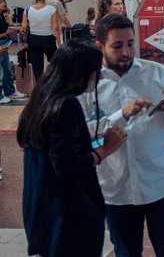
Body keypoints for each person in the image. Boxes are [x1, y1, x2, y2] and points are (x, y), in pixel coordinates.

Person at [81, 14, 164, 255]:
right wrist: (122, 114)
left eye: (131, 43)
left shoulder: (155, 73)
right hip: (115, 190)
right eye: (117, 46)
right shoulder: (89, 84)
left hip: (163, 185)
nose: (127, 52)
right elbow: (85, 136)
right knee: (126, 253)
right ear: (99, 46)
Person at [17, 40, 127, 257]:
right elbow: (67, 166)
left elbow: (54, 148)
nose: (100, 77)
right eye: (96, 71)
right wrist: (105, 150)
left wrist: (93, 138)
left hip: (41, 209)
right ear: (80, 72)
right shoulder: (66, 105)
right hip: (67, 217)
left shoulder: (41, 100)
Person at [21, 0, 60, 79]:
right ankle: (54, 83)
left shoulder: (27, 9)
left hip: (33, 39)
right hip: (48, 39)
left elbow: (24, 26)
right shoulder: (51, 9)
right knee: (56, 62)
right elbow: (55, 27)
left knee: (37, 67)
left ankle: (40, 89)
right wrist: (59, 41)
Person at [0, 0, 24, 104]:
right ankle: (0, 96)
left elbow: (8, 26)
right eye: (1, 2)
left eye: (4, 1)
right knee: (1, 71)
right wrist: (6, 34)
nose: (3, 3)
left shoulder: (2, 16)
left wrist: (6, 16)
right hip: (1, 43)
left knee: (8, 70)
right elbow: (4, 32)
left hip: (5, 43)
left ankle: (10, 91)